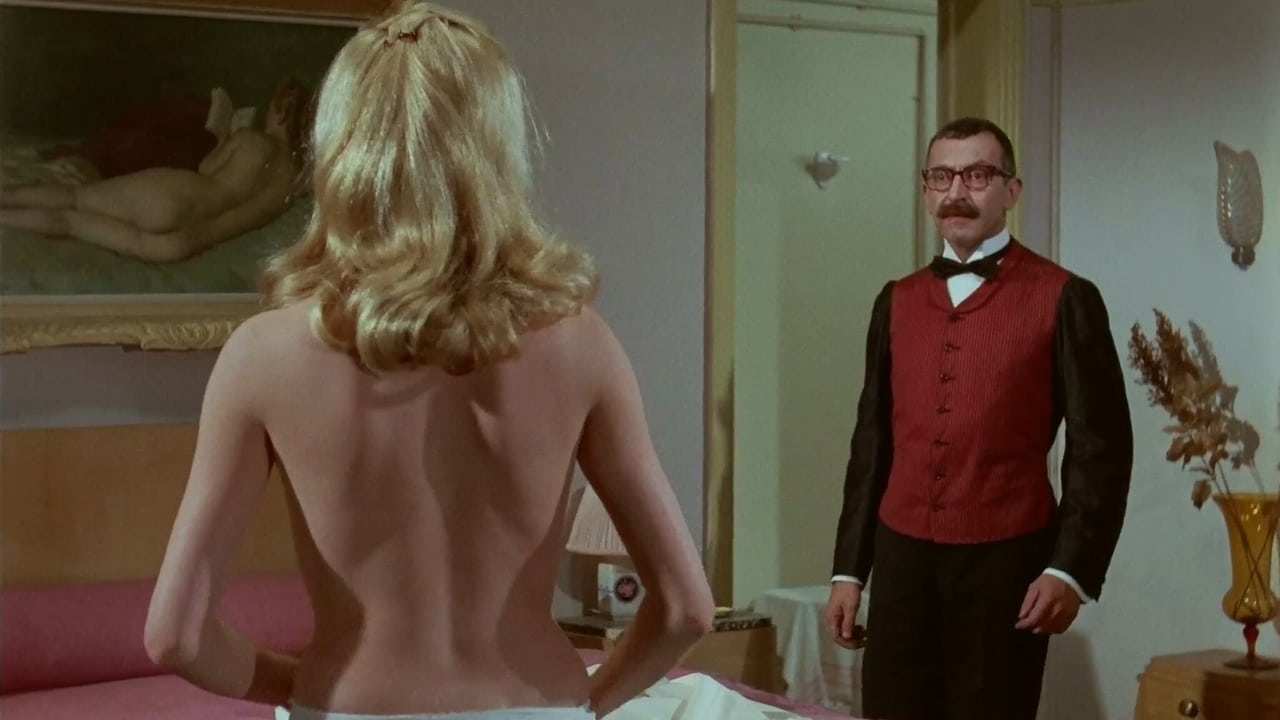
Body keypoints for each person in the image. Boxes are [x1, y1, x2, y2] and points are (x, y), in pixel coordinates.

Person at [142, 3, 714, 719]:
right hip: (535, 704)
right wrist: (585, 705)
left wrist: (298, 685)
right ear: (496, 147)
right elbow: (686, 609)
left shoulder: (261, 356)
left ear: (342, 148)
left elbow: (176, 636)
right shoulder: (581, 343)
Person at [824, 117, 1134, 720]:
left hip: (1007, 562)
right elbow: (872, 444)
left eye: (977, 175)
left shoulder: (1066, 296)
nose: (956, 192)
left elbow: (1101, 449)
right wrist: (849, 571)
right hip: (901, 559)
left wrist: (1070, 569)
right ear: (925, 191)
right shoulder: (895, 300)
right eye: (941, 176)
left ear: (1011, 191)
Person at [0, 79, 308, 263]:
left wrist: (223, 139)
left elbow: (206, 167)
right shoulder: (294, 182)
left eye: (271, 108)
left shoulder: (252, 140)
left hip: (175, 199)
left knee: (74, 199)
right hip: (179, 246)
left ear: (281, 111)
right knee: (68, 223)